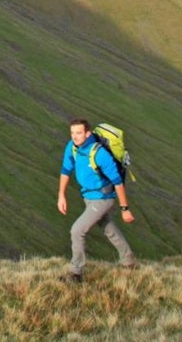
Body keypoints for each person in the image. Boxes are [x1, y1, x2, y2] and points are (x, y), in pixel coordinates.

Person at [57, 118, 136, 282]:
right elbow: (66, 170)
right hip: (88, 197)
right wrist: (61, 195)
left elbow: (118, 182)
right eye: (72, 132)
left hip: (103, 198)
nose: (74, 136)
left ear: (88, 133)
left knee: (77, 231)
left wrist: (124, 209)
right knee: (108, 228)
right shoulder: (72, 148)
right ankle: (129, 261)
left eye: (79, 133)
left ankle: (75, 273)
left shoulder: (100, 154)